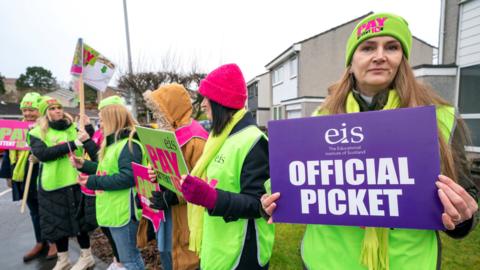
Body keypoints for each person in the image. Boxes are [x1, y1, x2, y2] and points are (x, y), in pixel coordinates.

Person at [261, 12, 479, 270]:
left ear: (402, 58)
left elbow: (465, 200)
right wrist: (272, 203)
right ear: (351, 61)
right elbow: (290, 187)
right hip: (328, 261)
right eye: (367, 48)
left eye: (392, 47)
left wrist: (462, 218)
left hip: (408, 262)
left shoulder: (439, 118)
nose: (379, 56)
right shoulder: (321, 119)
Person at [169, 64, 275, 269]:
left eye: (207, 98)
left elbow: (260, 204)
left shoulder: (254, 140)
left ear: (221, 101)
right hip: (217, 243)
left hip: (242, 250)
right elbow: (216, 183)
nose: (203, 105)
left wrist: (211, 197)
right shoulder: (218, 137)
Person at [72, 95, 147, 270]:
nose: (101, 124)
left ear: (113, 118)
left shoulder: (129, 144)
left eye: (103, 119)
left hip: (124, 213)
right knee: (126, 258)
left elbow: (128, 177)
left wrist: (93, 181)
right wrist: (85, 165)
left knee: (130, 259)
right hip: (115, 210)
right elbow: (107, 170)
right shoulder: (114, 144)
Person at [27, 96, 97, 270]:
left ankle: (86, 256)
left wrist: (87, 128)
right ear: (44, 113)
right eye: (51, 108)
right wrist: (72, 144)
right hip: (52, 184)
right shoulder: (36, 132)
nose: (57, 110)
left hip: (75, 181)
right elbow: (44, 154)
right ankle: (63, 259)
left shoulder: (74, 128)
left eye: (59, 107)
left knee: (80, 222)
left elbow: (89, 143)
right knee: (56, 223)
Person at [143, 83, 208, 270]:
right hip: (169, 216)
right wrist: (154, 173)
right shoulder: (168, 134)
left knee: (187, 261)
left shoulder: (196, 139)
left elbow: (205, 184)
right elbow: (164, 168)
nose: (156, 116)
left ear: (172, 109)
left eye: (159, 110)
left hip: (186, 218)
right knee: (168, 256)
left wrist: (174, 196)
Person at [0, 92, 58, 262]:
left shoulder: (49, 127)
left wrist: (41, 154)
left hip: (44, 175)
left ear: (39, 110)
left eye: (31, 110)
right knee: (34, 212)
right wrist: (8, 176)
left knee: (48, 210)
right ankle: (40, 242)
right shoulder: (16, 128)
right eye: (24, 110)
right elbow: (8, 151)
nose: (27, 114)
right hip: (23, 175)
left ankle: (54, 242)